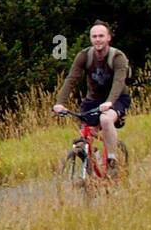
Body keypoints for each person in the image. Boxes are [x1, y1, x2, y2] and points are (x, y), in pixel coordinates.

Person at [52, 20, 131, 169]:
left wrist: (109, 102)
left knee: (106, 119)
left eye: (101, 36)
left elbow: (119, 82)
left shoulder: (117, 57)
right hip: (94, 99)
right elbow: (71, 79)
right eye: (94, 36)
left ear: (108, 38)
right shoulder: (84, 56)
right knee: (84, 133)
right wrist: (60, 103)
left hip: (117, 97)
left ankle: (112, 160)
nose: (97, 39)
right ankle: (92, 159)